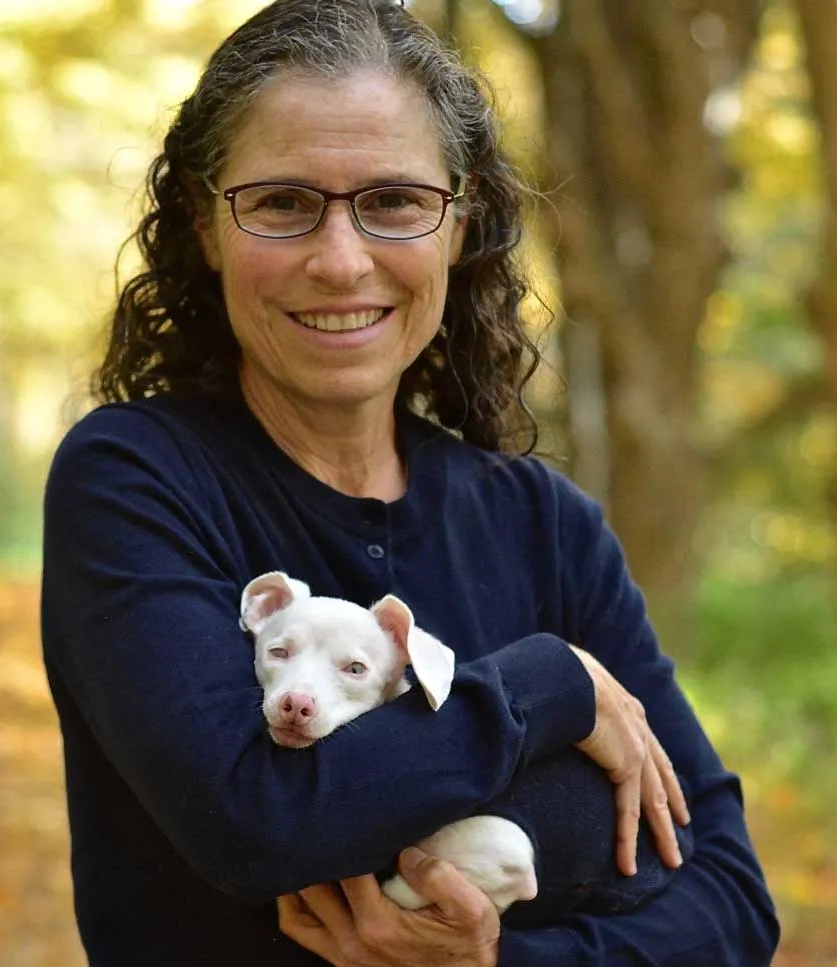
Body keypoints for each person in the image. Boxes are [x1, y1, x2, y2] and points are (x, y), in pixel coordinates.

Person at [40, 1, 780, 964]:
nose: (341, 260)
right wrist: (551, 686)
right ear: (205, 224)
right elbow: (252, 819)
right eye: (280, 201)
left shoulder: (545, 524)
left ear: (459, 223)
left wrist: (498, 963)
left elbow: (729, 902)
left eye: (393, 201)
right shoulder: (138, 479)